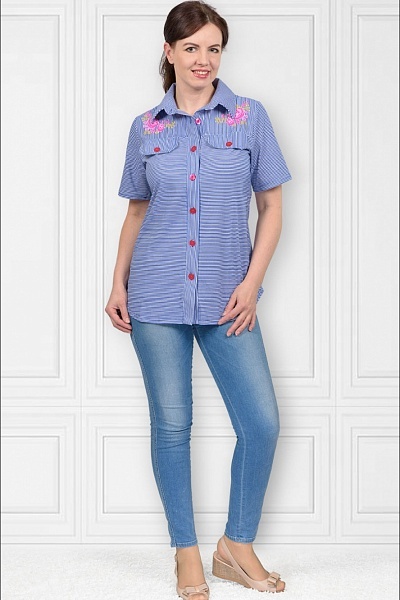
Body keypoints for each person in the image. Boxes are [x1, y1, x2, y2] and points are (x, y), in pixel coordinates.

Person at [105, 1, 292, 597]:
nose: (203, 60)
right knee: (172, 425)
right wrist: (117, 283)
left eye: (213, 48)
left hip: (227, 298)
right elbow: (137, 212)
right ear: (170, 52)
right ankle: (185, 553)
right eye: (191, 48)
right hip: (155, 295)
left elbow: (271, 207)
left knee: (261, 423)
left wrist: (251, 283)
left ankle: (235, 546)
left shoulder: (249, 118)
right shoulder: (146, 128)